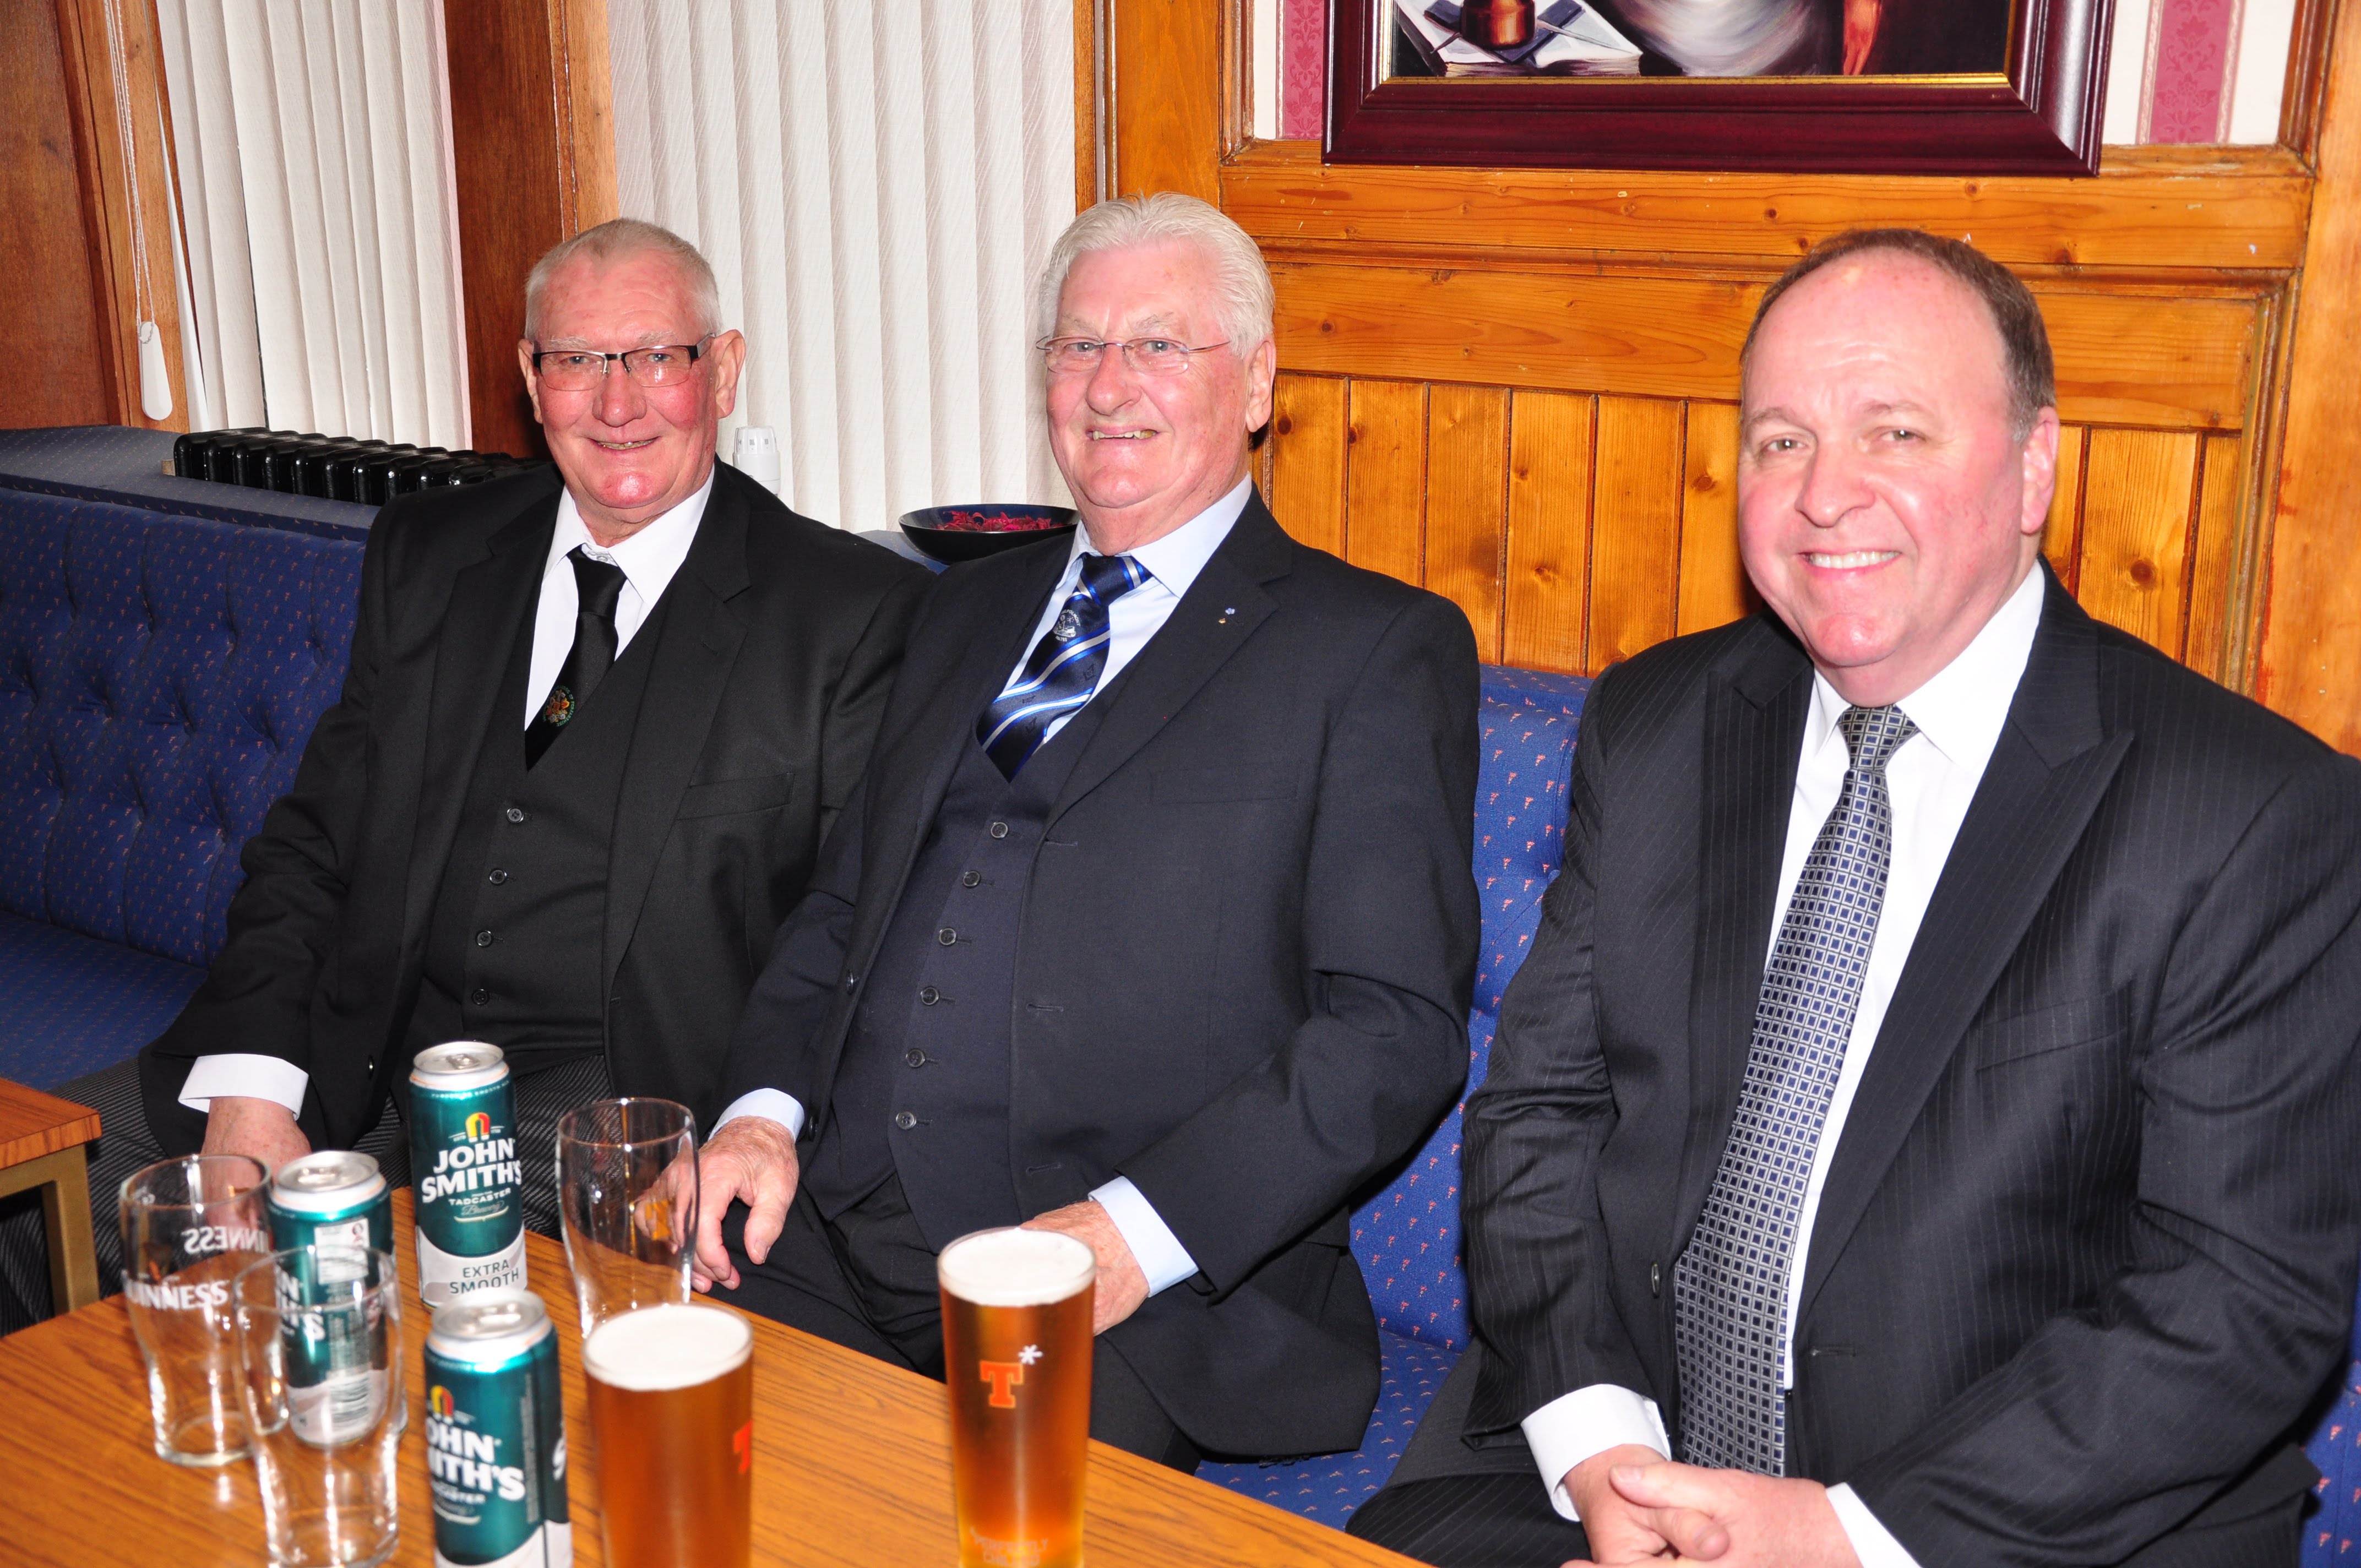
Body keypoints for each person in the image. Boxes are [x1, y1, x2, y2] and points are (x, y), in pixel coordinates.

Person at [1349, 228, 2361, 1566]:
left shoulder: (2249, 812)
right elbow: (1539, 1115)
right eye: (1781, 440)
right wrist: (1604, 1452)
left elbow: (2241, 1299)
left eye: (1893, 431)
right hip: (1630, 1461)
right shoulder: (1655, 724)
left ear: (2032, 466)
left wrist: (1841, 1532)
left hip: (2012, 1522)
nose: (1824, 495)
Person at [0, 218, 928, 1330]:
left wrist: (758, 1119)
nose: (617, 402)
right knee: (37, 1205)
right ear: (531, 380)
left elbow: (851, 934)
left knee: (389, 1303)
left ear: (721, 371)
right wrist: (255, 1086)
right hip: (360, 1048)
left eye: (655, 356)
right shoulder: (432, 552)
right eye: (576, 360)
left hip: (598, 1103)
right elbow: (314, 844)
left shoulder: (843, 613)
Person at [689, 192, 1481, 1469]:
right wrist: (761, 1114)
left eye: (1159, 344)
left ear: (1255, 381)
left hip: (1138, 1295)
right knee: (649, 1455)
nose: (1108, 385)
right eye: (1078, 345)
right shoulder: (956, 610)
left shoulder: (1369, 649)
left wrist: (1124, 1236)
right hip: (835, 1223)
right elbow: (841, 907)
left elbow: (1391, 1030)